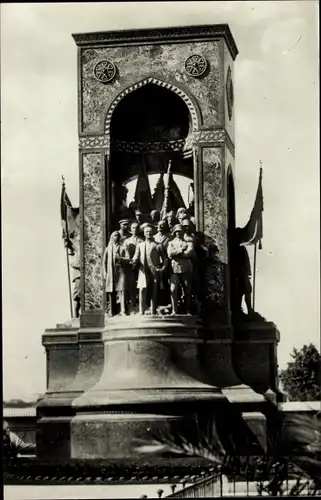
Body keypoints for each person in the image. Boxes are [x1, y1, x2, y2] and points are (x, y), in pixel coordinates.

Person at [132, 225, 168, 315]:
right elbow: (136, 256)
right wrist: (133, 261)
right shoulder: (140, 245)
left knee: (154, 290)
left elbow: (165, 258)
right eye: (147, 231)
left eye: (150, 231)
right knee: (142, 289)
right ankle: (141, 310)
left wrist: (163, 268)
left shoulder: (157, 245)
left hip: (154, 270)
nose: (149, 233)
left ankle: (153, 310)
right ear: (144, 233)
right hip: (143, 271)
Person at [167, 224, 195, 315]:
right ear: (174, 232)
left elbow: (189, 253)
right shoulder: (170, 243)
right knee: (173, 289)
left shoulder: (189, 243)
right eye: (177, 231)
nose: (178, 233)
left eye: (180, 231)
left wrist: (178, 253)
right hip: (174, 269)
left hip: (186, 269)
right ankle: (174, 310)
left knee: (187, 290)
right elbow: (170, 254)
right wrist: (181, 250)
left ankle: (188, 310)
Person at [102, 231, 129, 316]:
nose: (116, 237)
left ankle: (123, 310)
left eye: (118, 235)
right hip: (111, 272)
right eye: (114, 235)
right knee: (111, 291)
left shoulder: (123, 247)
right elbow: (104, 262)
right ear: (111, 237)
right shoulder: (108, 249)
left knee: (121, 291)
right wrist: (105, 272)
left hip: (120, 272)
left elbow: (128, 259)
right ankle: (112, 311)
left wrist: (121, 258)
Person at [232, 228, 254, 317]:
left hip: (242, 273)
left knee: (247, 290)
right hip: (238, 273)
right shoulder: (236, 249)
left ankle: (249, 309)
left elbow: (246, 262)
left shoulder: (240, 248)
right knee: (240, 292)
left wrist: (248, 273)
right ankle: (240, 309)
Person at [124, 222, 143, 312]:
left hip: (140, 265)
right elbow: (125, 253)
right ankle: (131, 302)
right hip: (129, 265)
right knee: (131, 284)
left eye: (136, 228)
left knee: (140, 284)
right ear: (130, 229)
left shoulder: (142, 240)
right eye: (133, 227)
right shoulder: (127, 241)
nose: (135, 229)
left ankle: (141, 302)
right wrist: (130, 261)